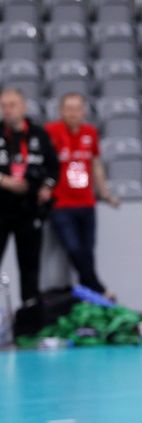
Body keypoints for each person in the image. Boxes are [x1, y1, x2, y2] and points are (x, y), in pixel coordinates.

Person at [45, 93, 119, 298]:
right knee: (74, 248)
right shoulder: (51, 132)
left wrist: (105, 193)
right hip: (61, 204)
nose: (73, 114)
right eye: (69, 109)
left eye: (77, 109)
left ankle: (89, 295)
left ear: (84, 111)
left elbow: (96, 164)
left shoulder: (90, 133)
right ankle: (98, 289)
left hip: (86, 202)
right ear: (61, 111)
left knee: (87, 251)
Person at [0, 88, 60, 306]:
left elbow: (53, 168)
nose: (8, 110)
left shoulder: (38, 134)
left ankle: (30, 315)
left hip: (29, 208)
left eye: (12, 105)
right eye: (4, 106)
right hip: (2, 208)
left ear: (23, 107)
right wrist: (4, 181)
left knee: (30, 266)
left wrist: (47, 187)